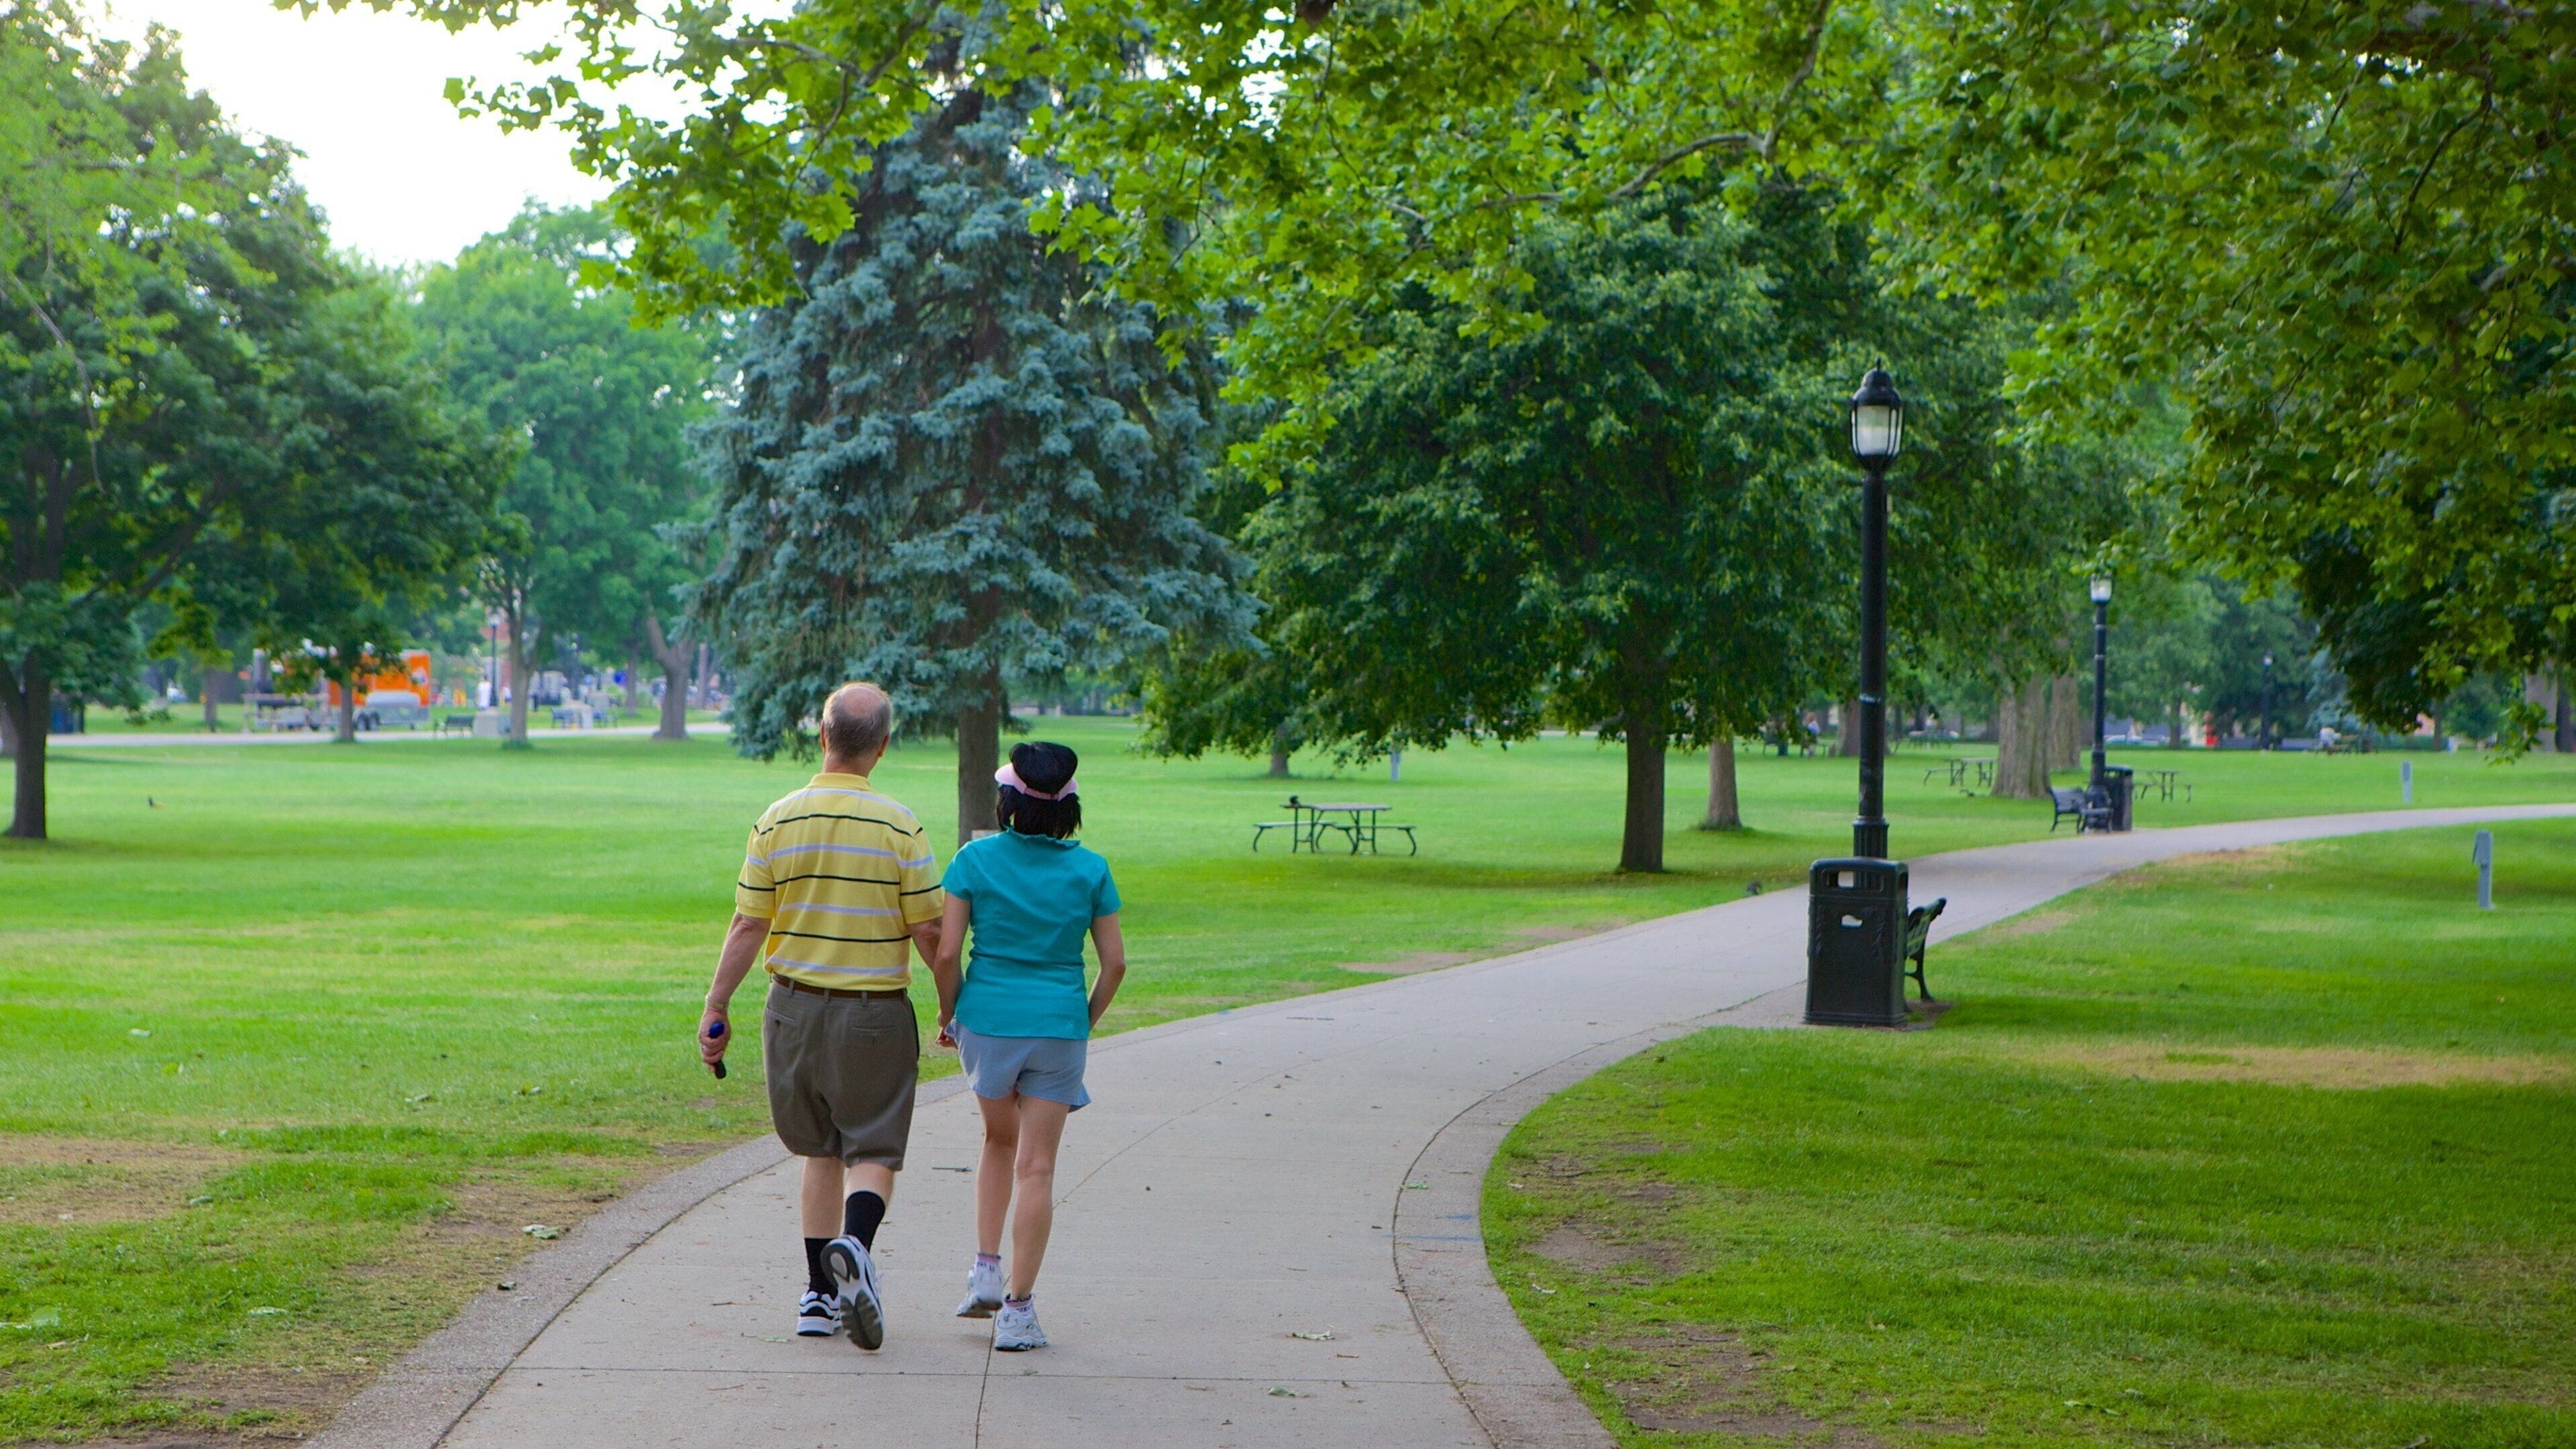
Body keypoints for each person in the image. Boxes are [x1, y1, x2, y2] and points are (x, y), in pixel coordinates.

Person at [698, 682, 944, 1351]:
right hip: (874, 1016)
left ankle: (816, 1294)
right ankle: (855, 1247)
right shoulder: (901, 826)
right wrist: (954, 1003)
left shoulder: (777, 819)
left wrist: (717, 1006)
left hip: (793, 1011)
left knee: (818, 1149)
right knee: (874, 1148)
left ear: (824, 738)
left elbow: (750, 922)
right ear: (883, 747)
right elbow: (929, 933)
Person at [930, 741, 1126, 1352]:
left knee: (996, 1138)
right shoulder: (1091, 869)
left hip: (987, 1021)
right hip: (1059, 1023)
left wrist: (949, 1012)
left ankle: (986, 1270)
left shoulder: (974, 859)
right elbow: (1115, 963)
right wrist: (1082, 1020)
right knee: (1038, 1167)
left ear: (1007, 800)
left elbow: (944, 952)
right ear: (1070, 809)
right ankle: (1018, 1311)